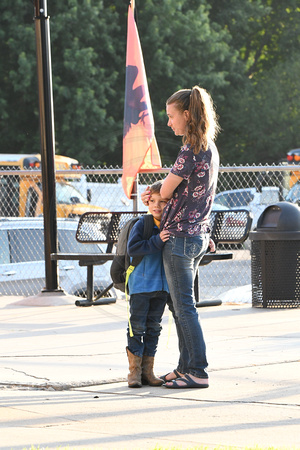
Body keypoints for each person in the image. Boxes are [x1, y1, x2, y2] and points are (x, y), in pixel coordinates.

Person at [142, 85, 220, 389]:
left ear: (187, 115)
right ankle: (185, 365)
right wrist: (160, 187)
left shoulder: (191, 149)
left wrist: (155, 190)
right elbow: (176, 180)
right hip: (198, 235)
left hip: (181, 238)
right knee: (180, 306)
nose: (169, 122)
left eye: (172, 116)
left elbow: (168, 188)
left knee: (184, 306)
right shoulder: (207, 148)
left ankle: (198, 370)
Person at [126, 181, 170, 388]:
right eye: (152, 201)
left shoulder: (173, 225)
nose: (157, 206)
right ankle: (134, 373)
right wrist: (157, 240)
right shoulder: (142, 225)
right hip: (141, 286)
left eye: (162, 202)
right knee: (136, 328)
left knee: (153, 328)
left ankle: (148, 371)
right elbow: (134, 249)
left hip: (162, 288)